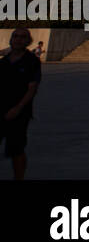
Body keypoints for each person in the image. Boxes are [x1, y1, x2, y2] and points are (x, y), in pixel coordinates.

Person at [1, 26, 41, 179]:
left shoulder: (31, 62)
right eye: (15, 36)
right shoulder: (4, 62)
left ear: (28, 41)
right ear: (11, 40)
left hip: (19, 113)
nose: (18, 40)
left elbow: (32, 88)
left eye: (22, 37)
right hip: (1, 109)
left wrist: (17, 109)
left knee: (16, 149)